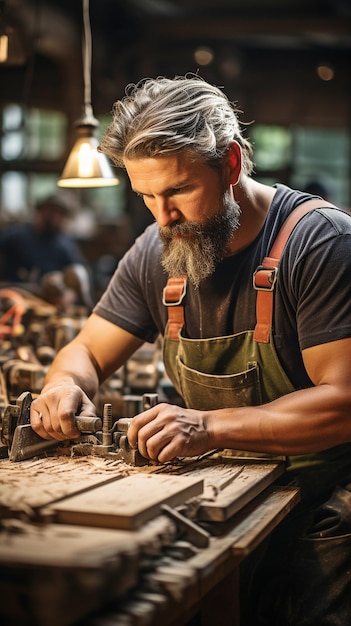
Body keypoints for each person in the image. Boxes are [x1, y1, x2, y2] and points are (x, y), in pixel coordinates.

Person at [30, 75, 351, 625]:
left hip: (325, 504)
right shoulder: (158, 251)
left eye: (177, 191)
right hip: (230, 494)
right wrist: (63, 386)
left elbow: (343, 402)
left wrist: (205, 427)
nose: (162, 216)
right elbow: (85, 350)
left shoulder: (321, 243)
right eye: (146, 196)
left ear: (231, 165)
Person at [0, 192, 93, 308]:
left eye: (61, 214)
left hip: (51, 302)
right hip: (15, 297)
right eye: (51, 211)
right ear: (40, 211)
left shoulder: (65, 244)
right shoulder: (16, 237)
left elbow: (80, 272)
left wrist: (71, 294)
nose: (55, 217)